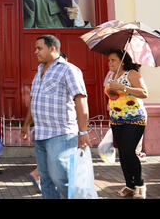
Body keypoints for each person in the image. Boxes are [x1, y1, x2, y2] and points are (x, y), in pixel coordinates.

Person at [21, 35, 91, 199]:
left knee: (61, 177)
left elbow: (81, 99)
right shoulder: (39, 71)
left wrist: (83, 132)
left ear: (53, 49)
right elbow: (34, 101)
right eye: (35, 48)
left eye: (39, 48)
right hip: (40, 134)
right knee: (46, 180)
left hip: (61, 134)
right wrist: (26, 125)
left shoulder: (69, 69)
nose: (35, 52)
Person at [104, 50, 148, 199]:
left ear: (122, 61)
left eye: (113, 60)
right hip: (117, 120)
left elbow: (144, 93)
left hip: (135, 119)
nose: (110, 63)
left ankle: (140, 185)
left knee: (129, 151)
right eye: (109, 60)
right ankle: (130, 185)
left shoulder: (132, 74)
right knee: (122, 154)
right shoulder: (111, 76)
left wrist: (122, 87)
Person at [28, 51, 68, 191]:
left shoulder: (68, 72)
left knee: (53, 160)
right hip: (54, 129)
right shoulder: (40, 74)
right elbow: (34, 101)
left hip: (59, 127)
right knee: (55, 161)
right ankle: (38, 174)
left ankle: (39, 175)